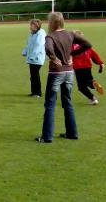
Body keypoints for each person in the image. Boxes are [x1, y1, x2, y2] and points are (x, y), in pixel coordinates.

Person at [35, 12, 92, 143]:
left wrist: (54, 58)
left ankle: (47, 136)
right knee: (67, 102)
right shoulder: (71, 34)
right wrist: (72, 53)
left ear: (52, 23)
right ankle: (72, 133)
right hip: (69, 73)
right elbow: (88, 44)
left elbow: (48, 48)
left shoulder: (51, 36)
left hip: (56, 73)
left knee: (50, 104)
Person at [72, 30, 105, 105]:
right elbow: (94, 55)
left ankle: (92, 98)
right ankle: (93, 84)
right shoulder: (86, 46)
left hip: (78, 68)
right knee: (88, 81)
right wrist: (100, 63)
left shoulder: (71, 46)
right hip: (87, 67)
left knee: (81, 87)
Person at [22, 19, 46, 97]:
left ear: (36, 26)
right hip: (32, 58)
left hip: (37, 58)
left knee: (35, 76)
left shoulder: (41, 34)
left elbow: (38, 46)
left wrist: (32, 57)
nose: (30, 26)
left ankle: (37, 93)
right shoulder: (32, 33)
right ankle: (34, 92)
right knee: (33, 76)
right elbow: (28, 44)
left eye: (31, 25)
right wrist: (25, 51)